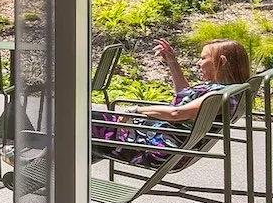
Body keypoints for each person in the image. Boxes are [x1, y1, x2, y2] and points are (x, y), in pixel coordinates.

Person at [91, 38, 251, 168]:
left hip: (157, 148)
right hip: (157, 139)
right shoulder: (227, 91)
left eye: (203, 58)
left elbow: (177, 113)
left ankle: (73, 186)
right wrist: (172, 62)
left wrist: (135, 110)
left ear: (221, 62)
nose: (198, 63)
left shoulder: (219, 96)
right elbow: (185, 97)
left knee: (84, 125)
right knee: (88, 130)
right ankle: (74, 182)